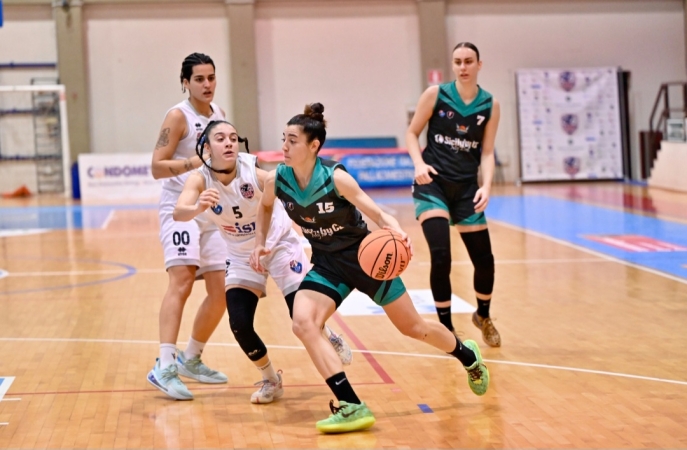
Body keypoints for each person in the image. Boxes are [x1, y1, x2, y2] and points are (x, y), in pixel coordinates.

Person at [250, 103, 490, 434]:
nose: (285, 147)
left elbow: (378, 214)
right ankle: (350, 405)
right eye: (284, 139)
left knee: (414, 328)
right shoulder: (279, 179)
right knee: (303, 323)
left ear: (314, 146)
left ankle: (467, 356)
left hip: (366, 260)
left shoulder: (336, 178)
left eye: (292, 141)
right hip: (328, 264)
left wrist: (398, 231)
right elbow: (264, 207)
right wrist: (259, 242)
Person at [173, 120, 353, 404]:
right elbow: (179, 212)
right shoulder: (199, 179)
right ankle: (271, 380)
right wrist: (198, 207)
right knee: (240, 324)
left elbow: (283, 185)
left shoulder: (252, 171)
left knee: (301, 316)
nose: (229, 142)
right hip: (240, 255)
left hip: (278, 244)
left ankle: (328, 334)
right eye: (220, 138)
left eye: (233, 137)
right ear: (206, 148)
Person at [406, 42, 502, 347]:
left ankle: (483, 315)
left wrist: (487, 186)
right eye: (458, 61)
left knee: (484, 260)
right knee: (441, 255)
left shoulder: (490, 105)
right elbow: (412, 133)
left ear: (479, 64)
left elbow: (487, 152)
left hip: (466, 189)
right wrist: (418, 164)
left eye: (468, 61)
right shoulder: (436, 94)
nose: (463, 67)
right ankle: (446, 328)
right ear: (453, 65)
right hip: (432, 184)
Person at [148, 53, 228, 400]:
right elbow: (156, 167)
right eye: (199, 79)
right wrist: (196, 161)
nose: (207, 84)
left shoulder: (218, 113)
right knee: (181, 282)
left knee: (223, 289)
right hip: (179, 208)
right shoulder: (178, 116)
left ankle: (190, 359)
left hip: (209, 208)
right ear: (185, 82)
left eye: (211, 77)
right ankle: (164, 365)